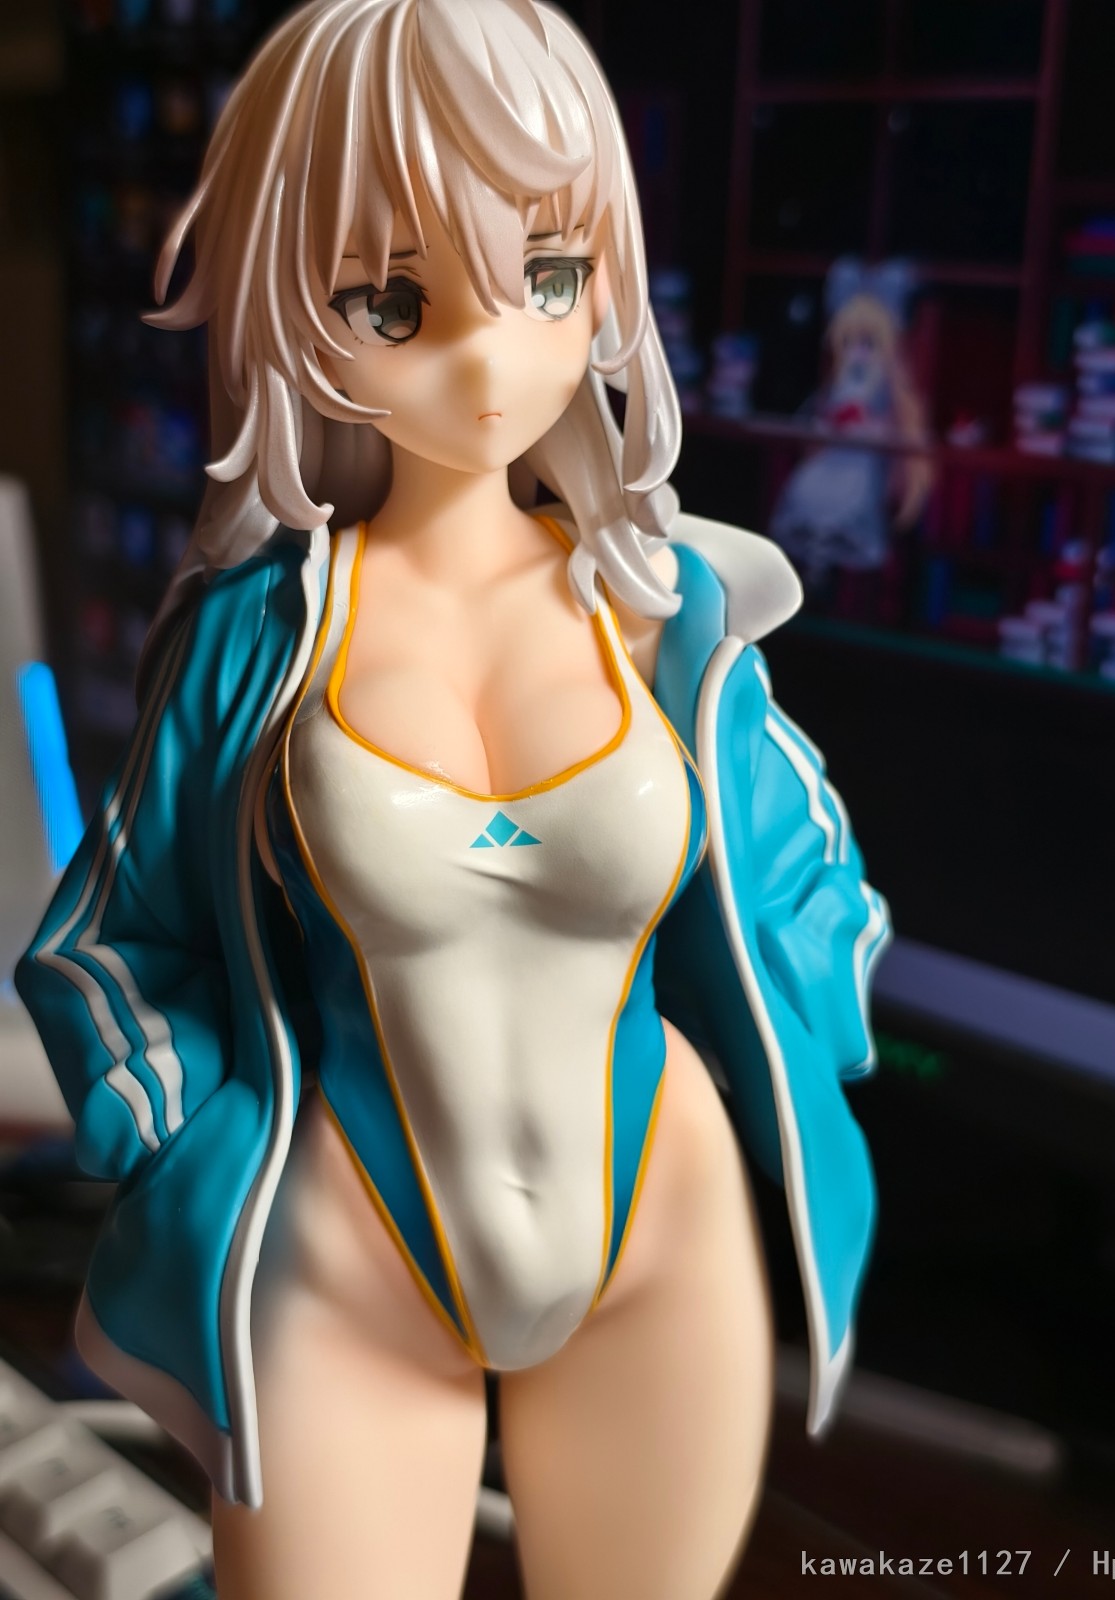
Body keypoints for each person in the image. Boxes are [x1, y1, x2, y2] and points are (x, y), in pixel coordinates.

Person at [17, 3, 891, 1596]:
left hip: (659, 1233)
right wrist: (188, 1129)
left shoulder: (667, 618)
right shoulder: (257, 640)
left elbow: (816, 878)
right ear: (295, 297)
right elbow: (106, 942)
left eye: (548, 273)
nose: (488, 358)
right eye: (392, 300)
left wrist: (797, 1036)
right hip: (348, 1256)